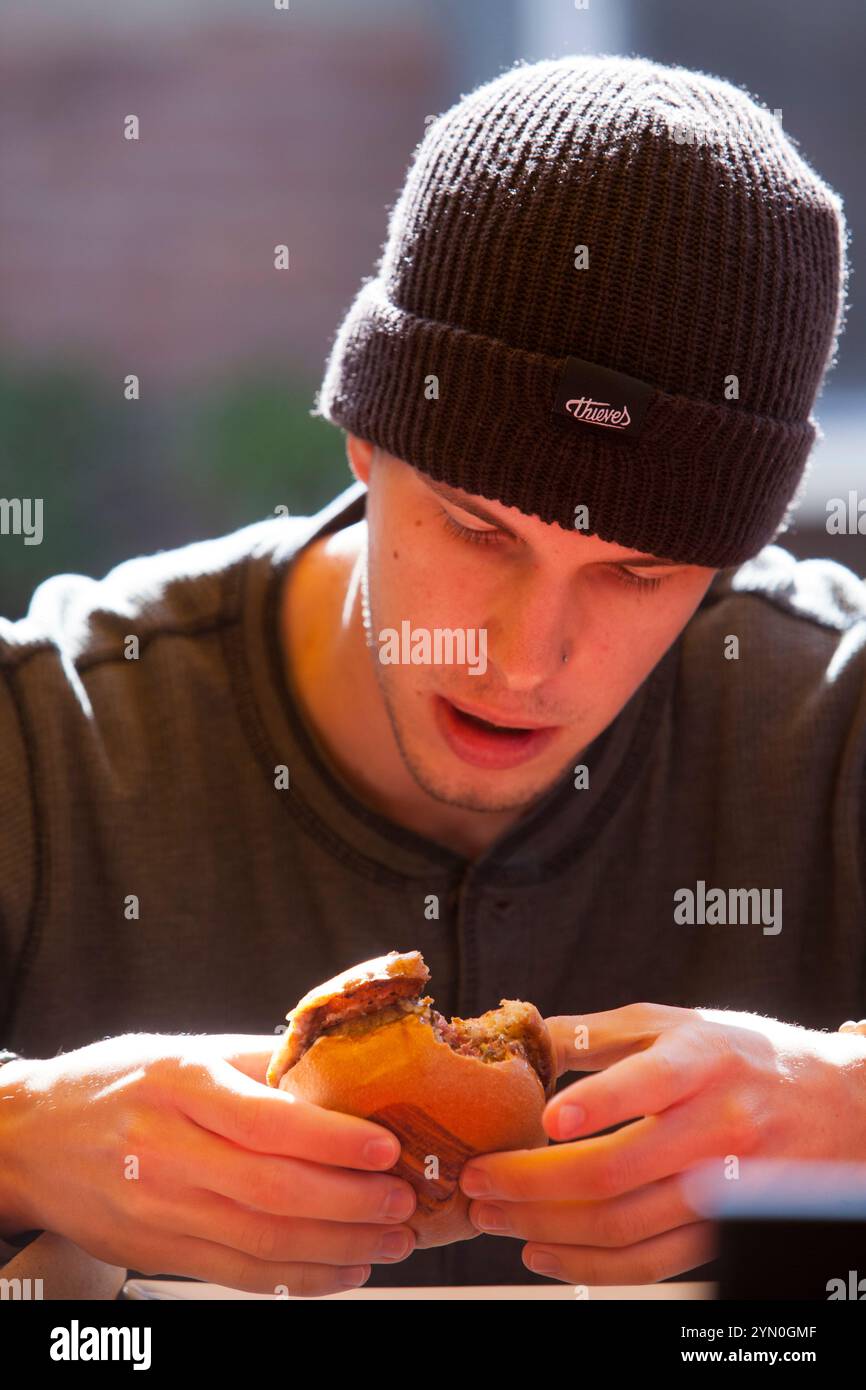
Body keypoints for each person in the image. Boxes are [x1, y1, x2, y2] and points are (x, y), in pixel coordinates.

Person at [1, 52, 864, 1297]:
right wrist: (25, 1138)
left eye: (637, 574)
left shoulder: (834, 724)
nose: (522, 659)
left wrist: (844, 1107)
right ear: (363, 433)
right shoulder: (52, 737)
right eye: (476, 528)